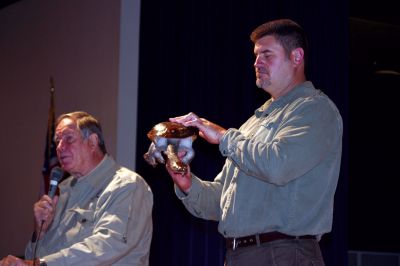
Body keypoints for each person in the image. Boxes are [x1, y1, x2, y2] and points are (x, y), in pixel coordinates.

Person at [164, 19, 343, 265]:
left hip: (283, 253)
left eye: (267, 55)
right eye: (256, 56)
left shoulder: (314, 109)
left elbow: (278, 165)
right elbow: (221, 202)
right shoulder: (252, 124)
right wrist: (186, 183)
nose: (257, 63)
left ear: (296, 56)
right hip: (239, 254)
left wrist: (225, 136)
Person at [0, 111, 153, 266]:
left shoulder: (126, 185)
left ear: (93, 142)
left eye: (69, 138)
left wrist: (42, 264)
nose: (59, 147)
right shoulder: (64, 190)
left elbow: (107, 245)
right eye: (58, 141)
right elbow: (35, 258)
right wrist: (39, 234)